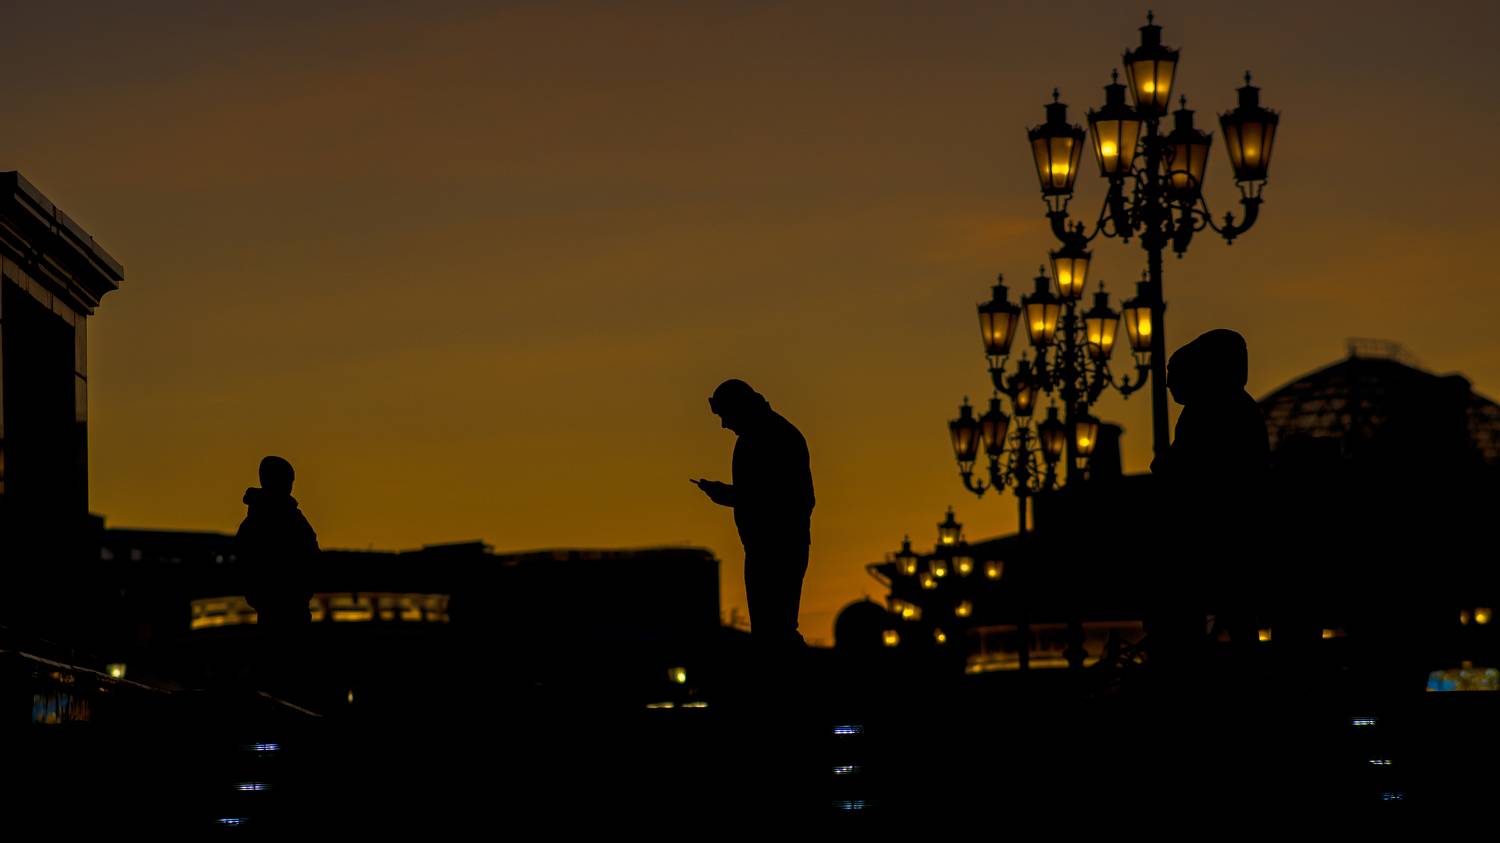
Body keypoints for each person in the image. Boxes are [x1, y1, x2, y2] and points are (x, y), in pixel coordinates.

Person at [693, 379, 815, 652]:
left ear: (740, 409)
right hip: (765, 548)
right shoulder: (764, 436)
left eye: (725, 416)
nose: (724, 425)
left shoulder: (776, 437)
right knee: (770, 630)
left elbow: (783, 497)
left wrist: (729, 495)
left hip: (777, 548)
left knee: (776, 631)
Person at [236, 456, 320, 693]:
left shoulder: (260, 520)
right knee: (286, 671)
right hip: (284, 606)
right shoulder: (284, 519)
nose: (290, 486)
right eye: (287, 481)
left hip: (281, 604)